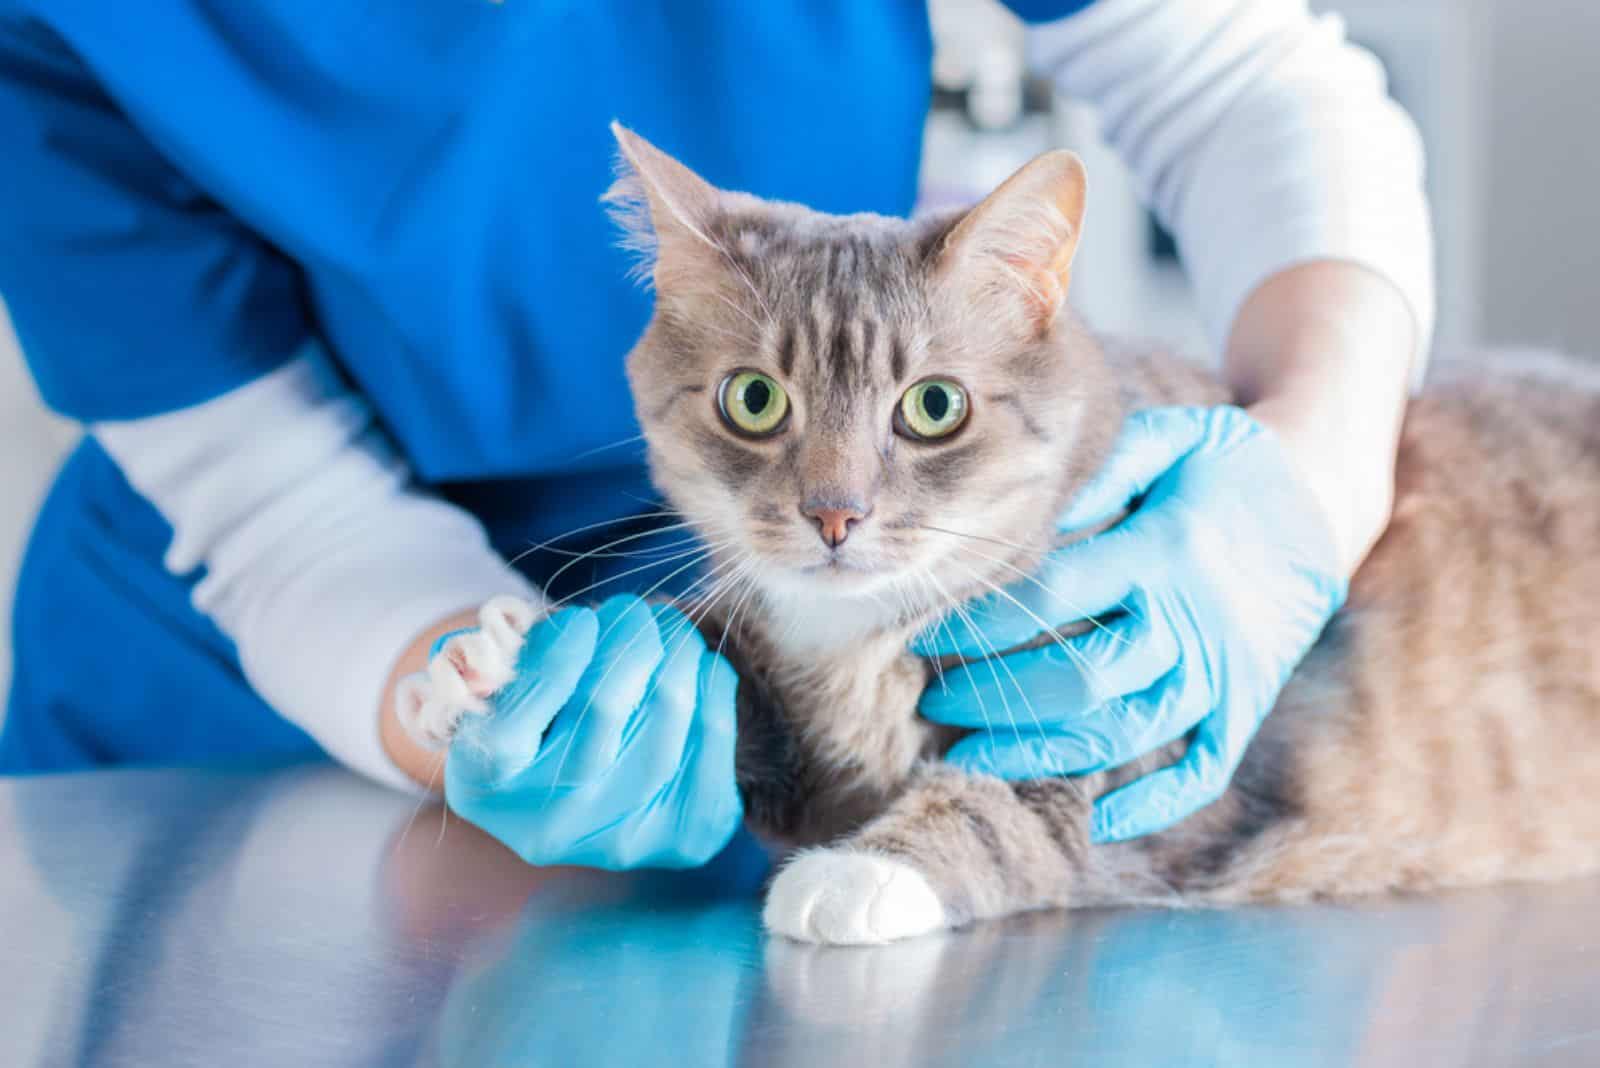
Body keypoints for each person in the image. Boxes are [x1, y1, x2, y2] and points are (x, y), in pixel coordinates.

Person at [0, 1, 1429, 867]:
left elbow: (1238, 75)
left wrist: (1317, 470)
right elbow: (277, 510)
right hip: (248, 690)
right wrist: (463, 710)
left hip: (818, 593)